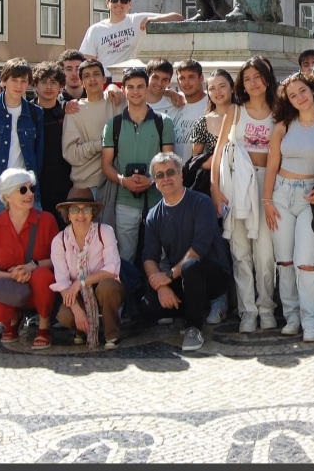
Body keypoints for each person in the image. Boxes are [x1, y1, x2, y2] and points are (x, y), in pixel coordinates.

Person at [263, 72, 314, 342]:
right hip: (280, 195)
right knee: (285, 260)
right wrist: (267, 201)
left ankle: (311, 320)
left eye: (302, 91)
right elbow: (271, 166)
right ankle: (292, 316)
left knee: (306, 260)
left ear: (312, 91)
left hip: (308, 199)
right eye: (292, 95)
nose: (299, 97)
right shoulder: (283, 126)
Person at [143, 152, 232, 351]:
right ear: (154, 181)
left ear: (181, 174)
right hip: (180, 276)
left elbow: (199, 249)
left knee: (191, 266)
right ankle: (189, 308)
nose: (166, 178)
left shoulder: (201, 203)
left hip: (212, 274)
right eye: (159, 175)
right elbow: (149, 257)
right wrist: (161, 286)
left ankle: (193, 327)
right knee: (148, 305)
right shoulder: (153, 215)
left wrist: (168, 275)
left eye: (170, 172)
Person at [212, 57, 277, 333]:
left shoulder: (279, 110)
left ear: (267, 79)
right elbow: (217, 155)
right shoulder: (235, 112)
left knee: (265, 254)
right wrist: (215, 189)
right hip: (236, 187)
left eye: (257, 77)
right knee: (240, 252)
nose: (253, 83)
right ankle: (247, 310)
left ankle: (266, 307)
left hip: (267, 187)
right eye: (247, 78)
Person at [101, 67, 175, 262]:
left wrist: (152, 179)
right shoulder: (113, 124)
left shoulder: (163, 122)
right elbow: (106, 164)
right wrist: (123, 181)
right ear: (123, 89)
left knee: (161, 257)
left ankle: (160, 292)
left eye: (140, 86)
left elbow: (169, 162)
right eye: (130, 87)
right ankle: (129, 293)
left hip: (158, 199)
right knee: (124, 258)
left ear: (147, 88)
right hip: (125, 199)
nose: (135, 91)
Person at [0, 169, 58, 348]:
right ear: (7, 196)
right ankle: (13, 321)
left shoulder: (47, 220)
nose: (30, 194)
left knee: (43, 275)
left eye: (31, 188)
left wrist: (32, 266)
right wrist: (11, 276)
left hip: (40, 289)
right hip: (11, 289)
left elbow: (58, 260)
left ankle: (44, 326)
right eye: (23, 190)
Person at [51, 187, 125, 349]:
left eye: (87, 209)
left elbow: (112, 269)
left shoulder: (105, 231)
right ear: (68, 214)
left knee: (108, 286)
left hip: (102, 287)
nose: (81, 214)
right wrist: (77, 311)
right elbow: (62, 282)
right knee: (65, 315)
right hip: (76, 294)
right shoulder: (59, 241)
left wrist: (81, 281)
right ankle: (80, 329)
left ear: (93, 212)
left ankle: (112, 334)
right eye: (75, 209)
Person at [0, 58, 44, 221]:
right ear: (4, 81)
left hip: (26, 188)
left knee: (29, 239)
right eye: (14, 80)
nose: (19, 86)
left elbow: (38, 155)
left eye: (23, 81)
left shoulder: (35, 113)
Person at [79, 0, 182, 76]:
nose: (119, 3)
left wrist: (154, 19)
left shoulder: (136, 20)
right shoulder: (95, 30)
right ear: (107, 2)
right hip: (105, 80)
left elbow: (178, 18)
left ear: (129, 4)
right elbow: (87, 62)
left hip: (129, 79)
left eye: (124, 0)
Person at [62, 59, 121, 194]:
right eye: (87, 76)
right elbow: (70, 154)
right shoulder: (74, 111)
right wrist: (102, 145)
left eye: (96, 74)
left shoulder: (117, 101)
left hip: (118, 183)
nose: (92, 79)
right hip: (87, 187)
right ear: (82, 82)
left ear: (104, 78)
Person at [31, 61, 73, 232]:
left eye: (54, 82)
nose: (49, 87)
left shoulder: (68, 113)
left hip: (63, 186)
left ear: (61, 87)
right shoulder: (27, 114)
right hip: (34, 187)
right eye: (44, 82)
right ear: (35, 85)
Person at [191, 69, 236, 171]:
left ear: (232, 88)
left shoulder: (245, 115)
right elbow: (195, 159)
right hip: (214, 179)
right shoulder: (203, 122)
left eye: (222, 86)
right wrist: (215, 163)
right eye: (212, 88)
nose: (217, 92)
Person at [168, 60, 209, 163]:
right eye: (182, 78)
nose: (186, 82)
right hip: (176, 174)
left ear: (201, 78)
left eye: (191, 77)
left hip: (201, 173)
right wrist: (168, 92)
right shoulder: (174, 103)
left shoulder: (211, 103)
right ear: (177, 81)